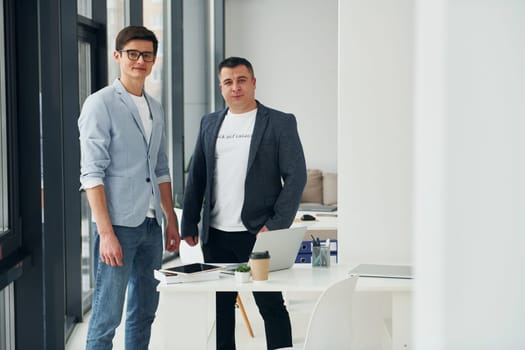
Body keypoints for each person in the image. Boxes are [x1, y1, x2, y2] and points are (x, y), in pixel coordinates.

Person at [181, 56, 307, 350]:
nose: (234, 87)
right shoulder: (210, 122)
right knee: (222, 309)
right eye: (228, 82)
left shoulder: (279, 122)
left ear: (253, 82)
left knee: (271, 305)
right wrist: (189, 222)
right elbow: (197, 175)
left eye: (241, 80)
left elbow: (296, 176)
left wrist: (275, 226)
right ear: (221, 87)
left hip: (258, 233)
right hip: (217, 234)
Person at [78, 25, 180, 349]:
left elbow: (160, 167)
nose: (140, 61)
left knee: (145, 311)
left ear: (153, 60)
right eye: (133, 54)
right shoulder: (100, 104)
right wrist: (105, 233)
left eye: (146, 55)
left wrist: (170, 218)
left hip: (151, 225)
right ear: (118, 56)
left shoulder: (155, 107)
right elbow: (92, 174)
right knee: (107, 316)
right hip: (118, 225)